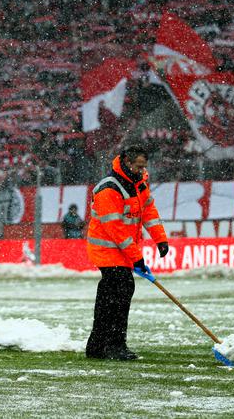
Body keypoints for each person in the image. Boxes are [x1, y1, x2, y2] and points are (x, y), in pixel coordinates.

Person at [85, 146, 169, 360]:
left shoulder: (139, 184)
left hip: (122, 251)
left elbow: (149, 211)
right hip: (107, 249)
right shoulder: (109, 189)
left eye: (144, 167)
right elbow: (117, 230)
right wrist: (137, 258)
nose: (142, 170)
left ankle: (97, 346)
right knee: (122, 289)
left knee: (109, 295)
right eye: (138, 166)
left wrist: (160, 239)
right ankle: (114, 345)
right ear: (127, 162)